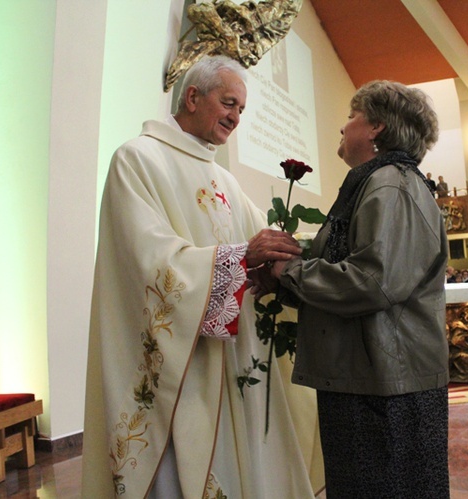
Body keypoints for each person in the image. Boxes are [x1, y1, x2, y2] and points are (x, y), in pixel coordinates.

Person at [81, 55, 318, 498]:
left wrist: (274, 266)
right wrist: (242, 258)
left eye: (242, 110)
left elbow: (258, 250)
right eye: (229, 103)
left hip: (232, 361)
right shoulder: (136, 160)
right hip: (185, 369)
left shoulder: (223, 177)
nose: (236, 117)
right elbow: (146, 261)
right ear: (193, 96)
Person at [265, 80, 450, 498]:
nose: (343, 127)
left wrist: (291, 271)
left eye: (352, 117)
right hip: (369, 377)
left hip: (386, 388)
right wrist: (285, 278)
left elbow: (373, 282)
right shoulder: (379, 183)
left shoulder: (391, 185)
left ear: (377, 128)